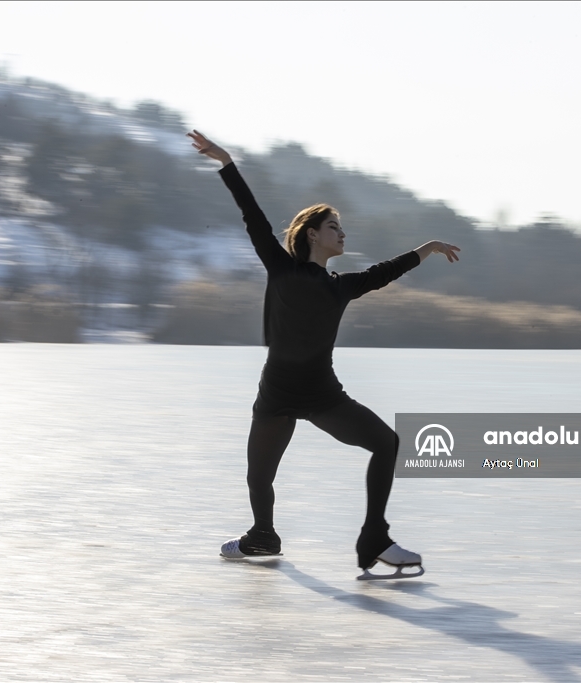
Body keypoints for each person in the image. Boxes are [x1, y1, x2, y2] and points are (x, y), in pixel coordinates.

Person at [188, 130, 460, 575]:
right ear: (312, 234)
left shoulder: (341, 286)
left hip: (321, 394)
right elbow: (252, 217)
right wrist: (226, 162)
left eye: (341, 226)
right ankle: (263, 537)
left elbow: (383, 273)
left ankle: (374, 538)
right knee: (259, 476)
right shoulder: (281, 268)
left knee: (386, 444)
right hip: (276, 392)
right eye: (334, 226)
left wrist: (426, 249)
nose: (342, 232)